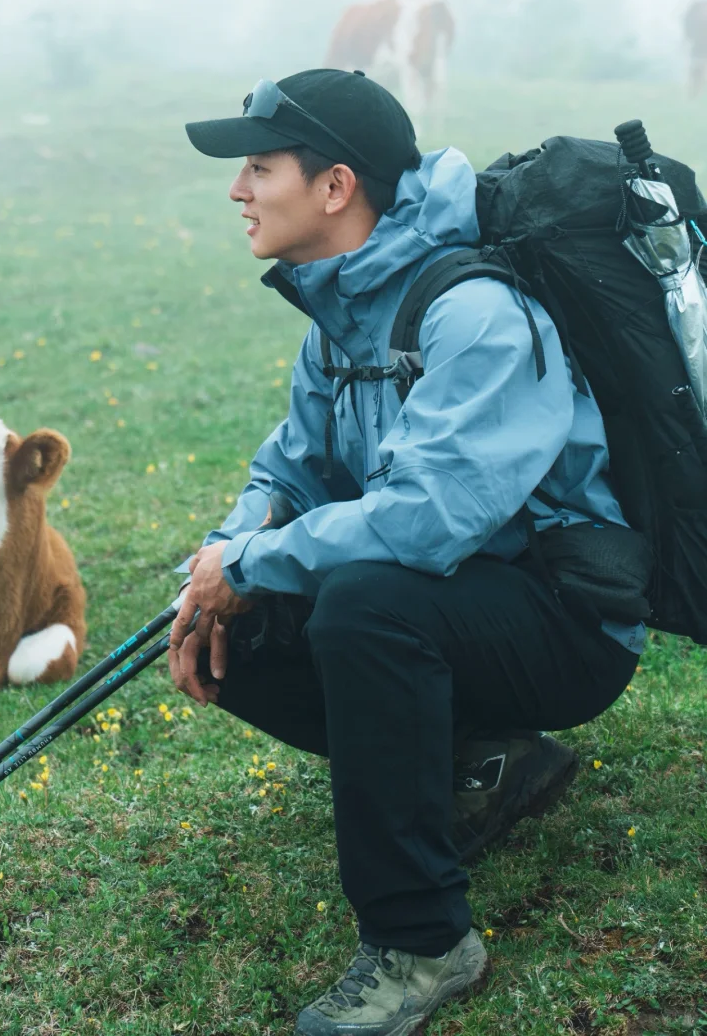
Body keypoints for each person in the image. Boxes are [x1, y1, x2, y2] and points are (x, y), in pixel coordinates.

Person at [168, 69, 644, 1036]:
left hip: (565, 622)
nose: (238, 191)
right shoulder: (339, 313)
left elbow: (429, 520)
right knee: (235, 631)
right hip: (464, 604)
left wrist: (257, 567)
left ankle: (423, 943)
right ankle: (482, 768)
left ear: (336, 187)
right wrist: (225, 558)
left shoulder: (475, 314)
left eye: (260, 167)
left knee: (363, 605)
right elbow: (289, 470)